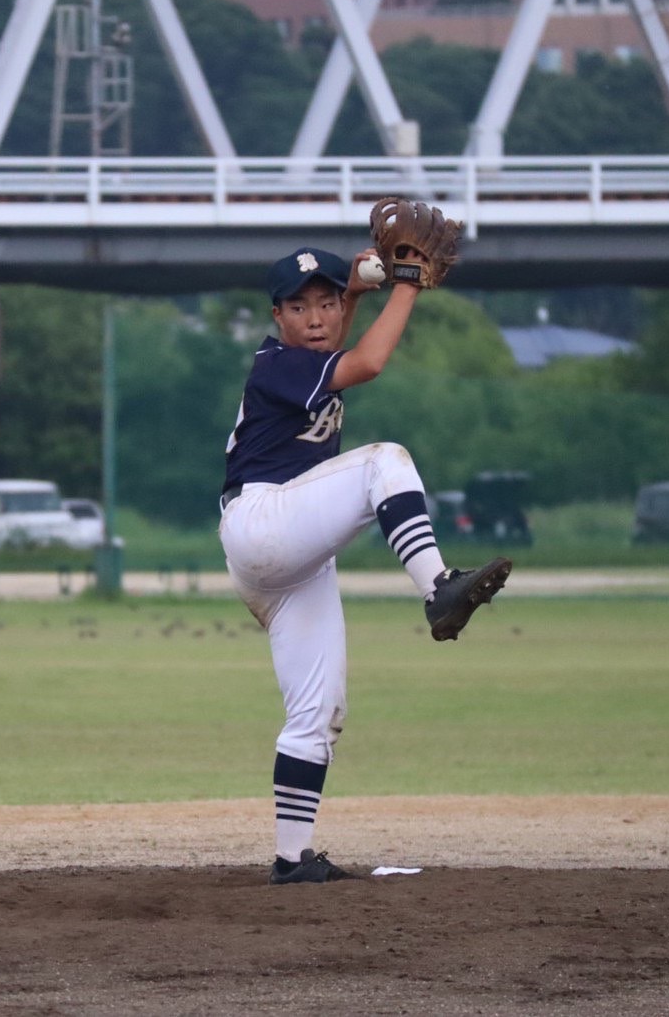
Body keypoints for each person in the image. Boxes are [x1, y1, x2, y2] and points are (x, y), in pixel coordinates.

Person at [219, 245, 513, 885]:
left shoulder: (309, 353)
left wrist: (358, 286)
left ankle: (292, 859)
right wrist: (405, 285)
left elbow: (341, 330)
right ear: (277, 316)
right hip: (263, 522)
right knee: (385, 461)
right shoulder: (277, 363)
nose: (317, 317)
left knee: (318, 712)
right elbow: (370, 362)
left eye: (326, 303)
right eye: (300, 307)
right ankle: (438, 587)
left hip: (293, 554)